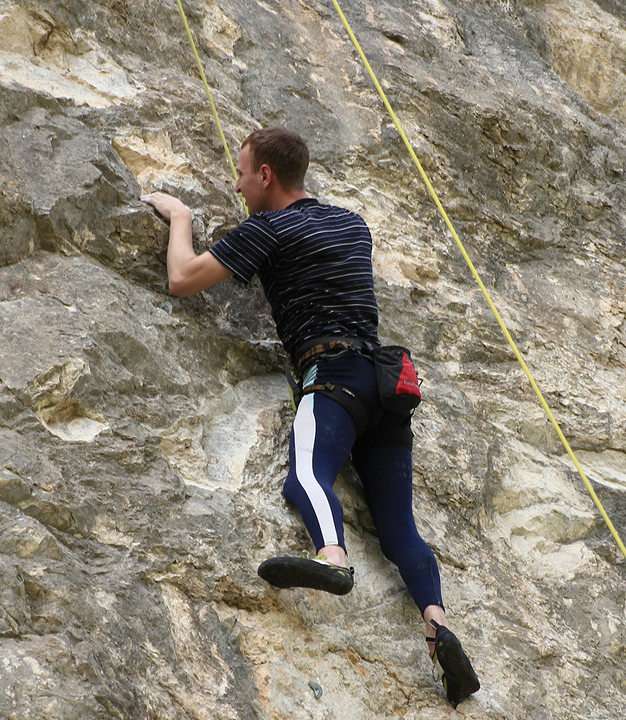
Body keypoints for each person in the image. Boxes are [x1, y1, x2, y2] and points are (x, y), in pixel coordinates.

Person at [141, 126, 479, 706]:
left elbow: (182, 279)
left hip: (334, 378)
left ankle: (333, 557)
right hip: (386, 388)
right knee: (401, 531)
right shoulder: (352, 223)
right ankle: (436, 624)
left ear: (266, 175)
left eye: (242, 172)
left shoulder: (267, 228)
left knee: (306, 477)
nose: (238, 182)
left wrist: (178, 216)